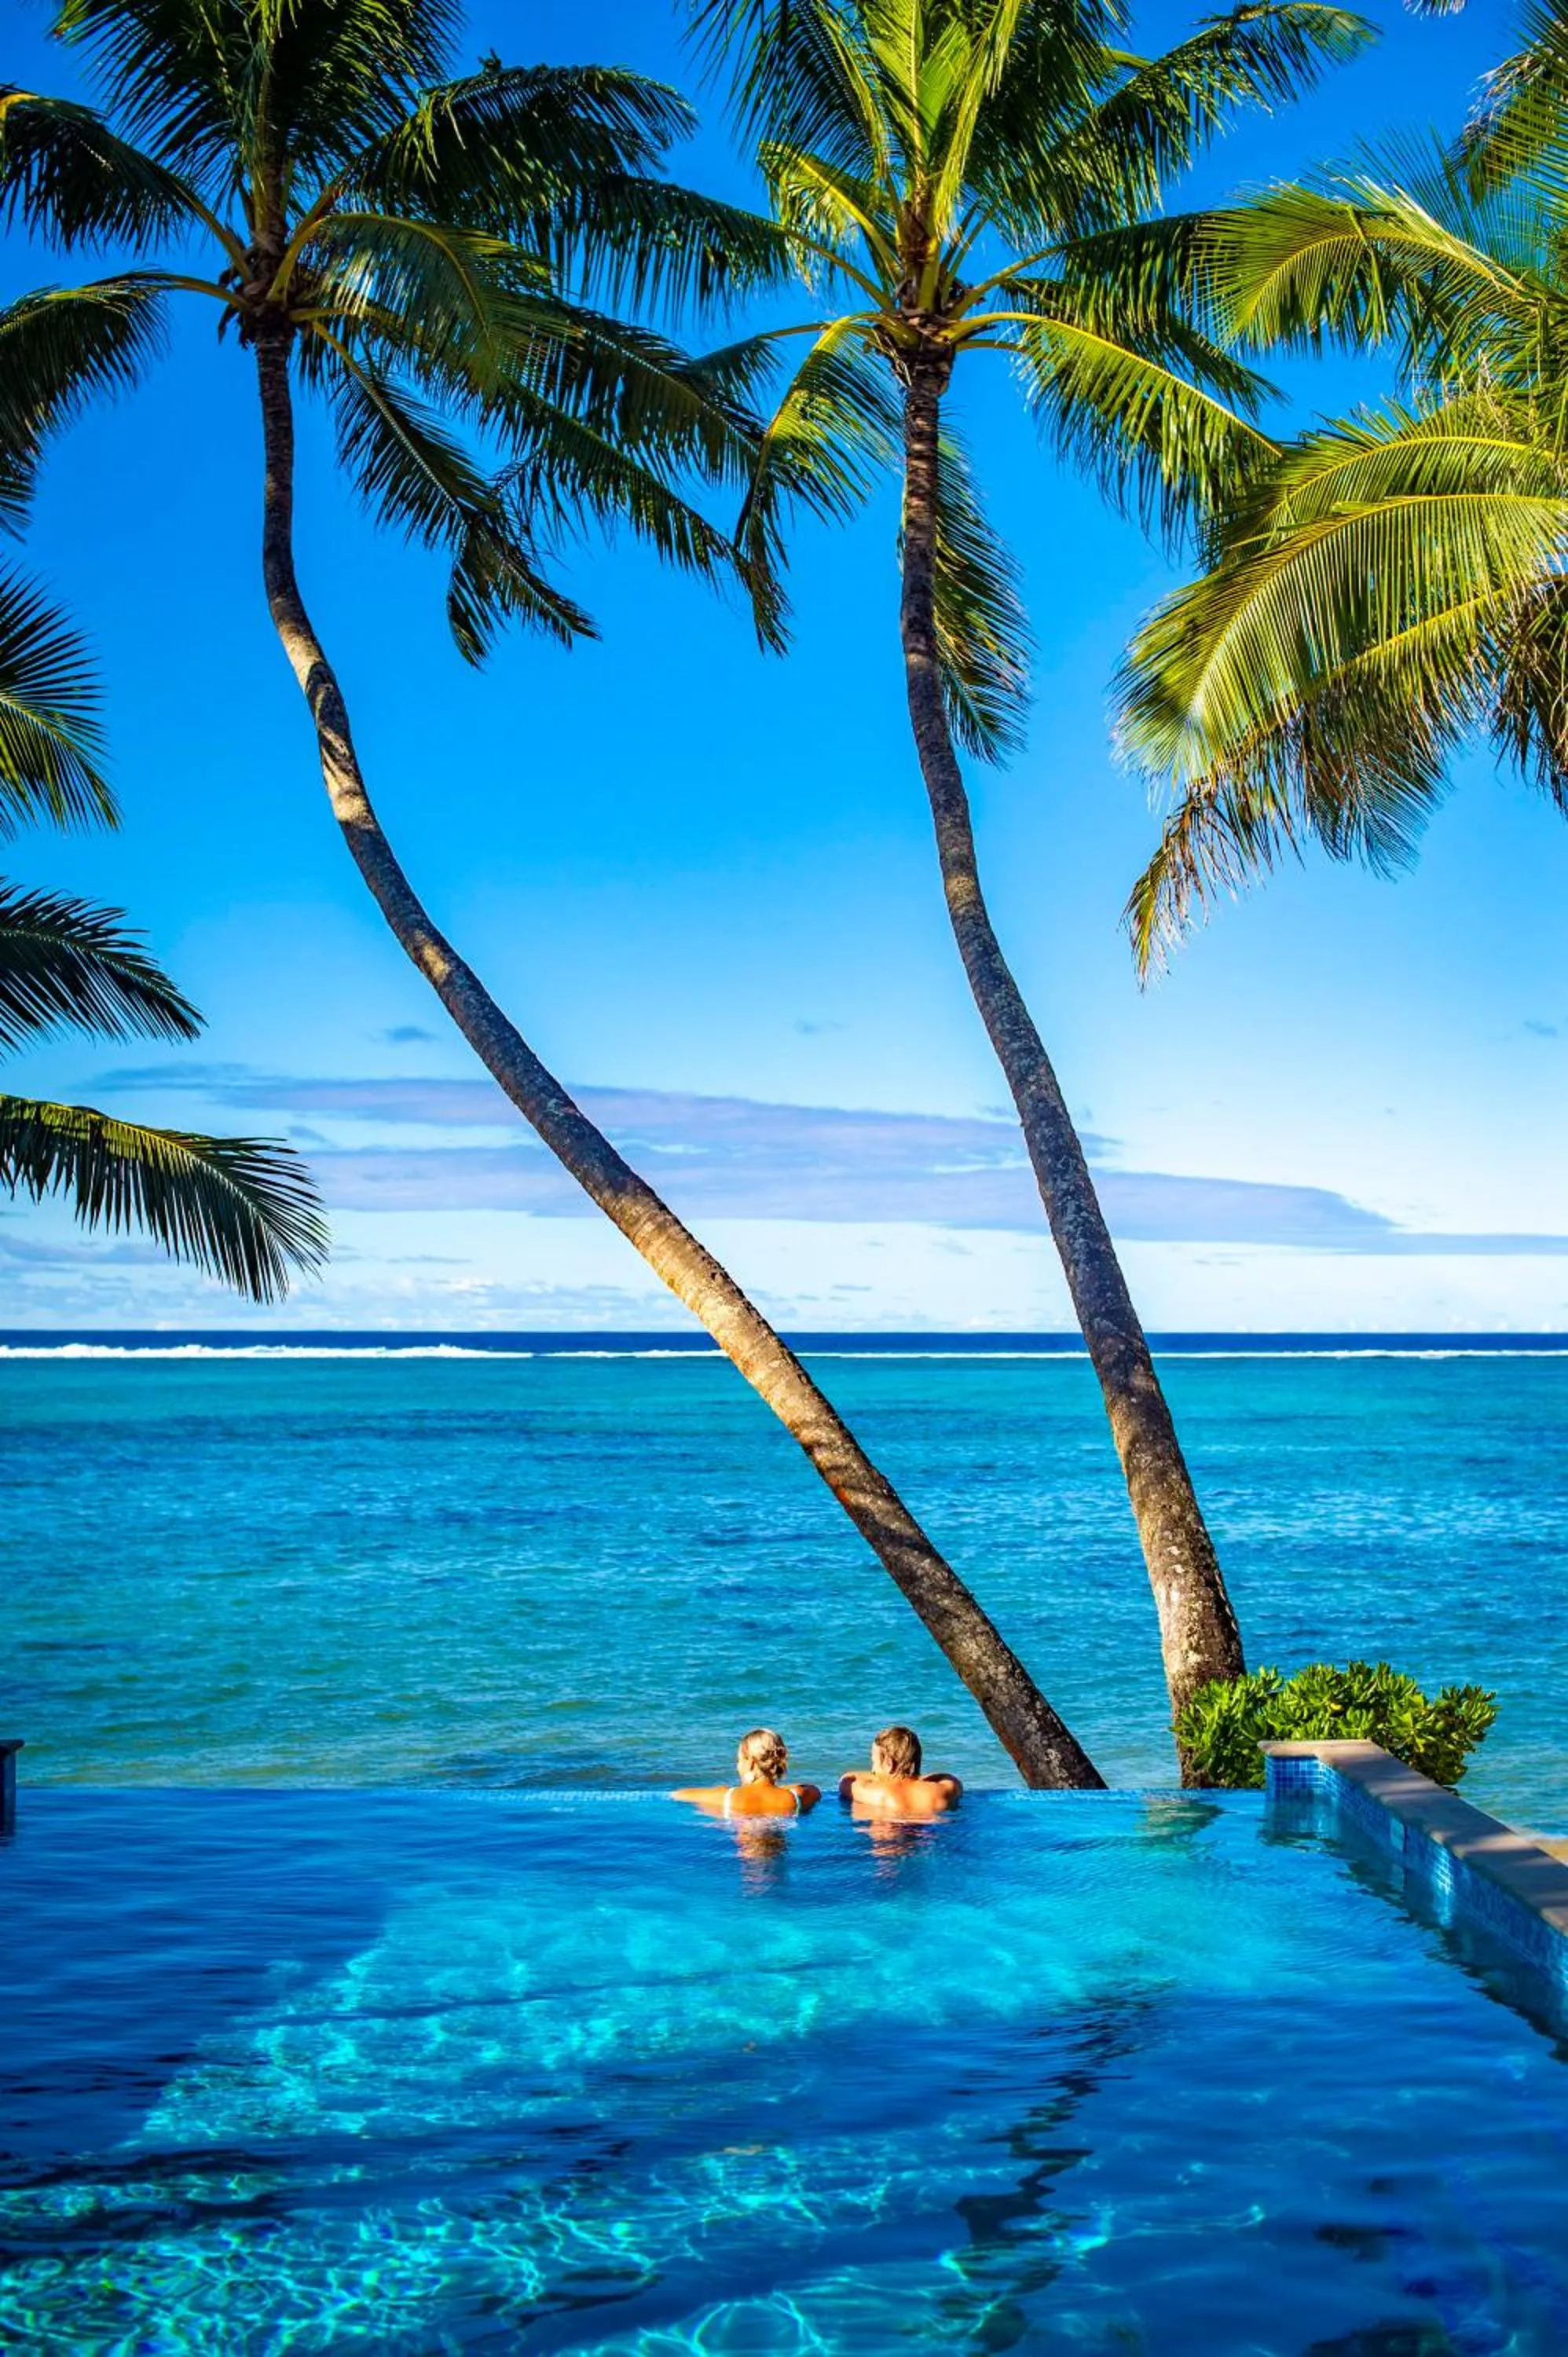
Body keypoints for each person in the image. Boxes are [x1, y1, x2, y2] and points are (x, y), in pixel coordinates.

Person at [672, 1728, 822, 1818]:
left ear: (750, 1762)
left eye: (739, 1760)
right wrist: (780, 1789)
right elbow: (814, 1790)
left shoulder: (725, 1796)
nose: (738, 1766)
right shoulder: (796, 1798)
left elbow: (679, 1794)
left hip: (745, 1865)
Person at [837, 1725, 962, 1819]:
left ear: (889, 1764)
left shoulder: (877, 1793)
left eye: (874, 1762)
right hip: (928, 1835)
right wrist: (915, 1777)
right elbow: (949, 1777)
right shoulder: (944, 1790)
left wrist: (878, 1776)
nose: (873, 1770)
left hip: (889, 1842)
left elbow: (847, 1779)